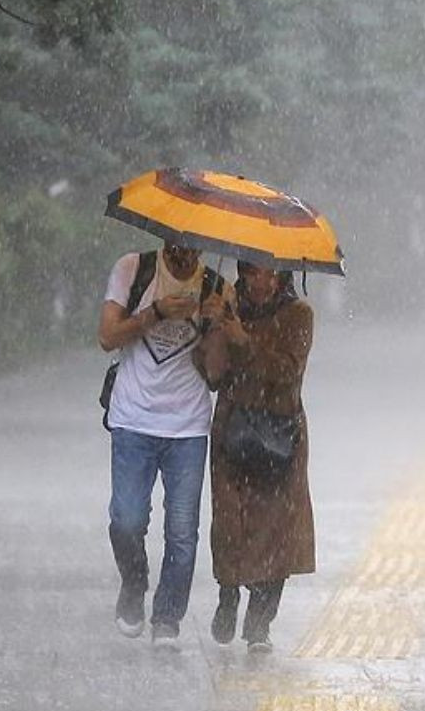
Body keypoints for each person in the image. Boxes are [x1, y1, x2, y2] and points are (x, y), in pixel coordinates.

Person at [97, 242, 225, 648]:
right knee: (127, 520)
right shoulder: (133, 269)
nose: (186, 254)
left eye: (194, 247)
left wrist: (215, 325)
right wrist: (156, 312)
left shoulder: (216, 287)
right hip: (133, 420)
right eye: (178, 244)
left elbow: (217, 375)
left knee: (182, 531)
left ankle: (168, 617)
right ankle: (134, 582)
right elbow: (107, 336)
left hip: (188, 426)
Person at [198, 261, 315, 653]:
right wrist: (214, 330)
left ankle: (260, 622)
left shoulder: (298, 314)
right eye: (251, 272)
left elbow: (286, 370)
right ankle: (228, 592)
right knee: (230, 519)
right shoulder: (228, 305)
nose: (260, 280)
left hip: (279, 431)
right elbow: (212, 375)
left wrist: (243, 339)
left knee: (276, 528)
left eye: (269, 273)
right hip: (233, 428)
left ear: (282, 276)